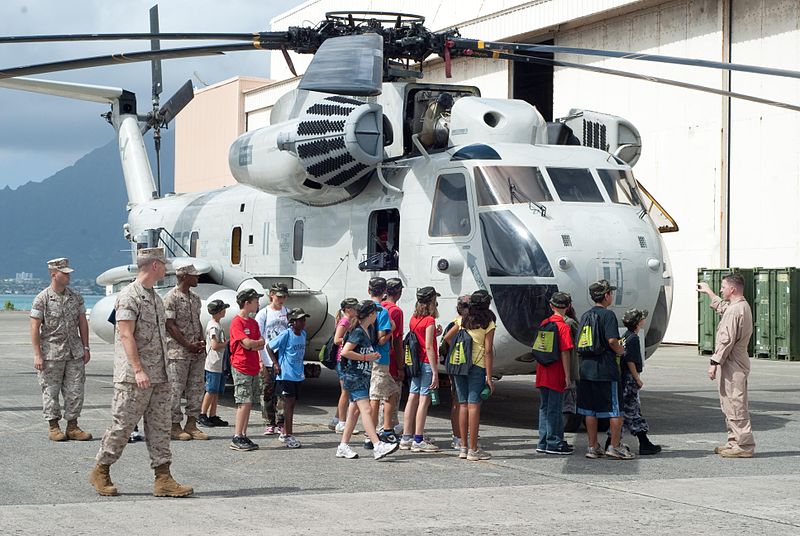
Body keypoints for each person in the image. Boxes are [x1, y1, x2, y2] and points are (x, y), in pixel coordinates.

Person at [90, 247, 193, 497]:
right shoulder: (129, 296)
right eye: (163, 264)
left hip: (159, 376)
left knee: (159, 427)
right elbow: (125, 334)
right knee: (123, 425)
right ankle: (101, 470)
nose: (166, 269)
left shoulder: (156, 298)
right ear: (154, 266)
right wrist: (138, 369)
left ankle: (163, 478)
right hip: (134, 378)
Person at [30, 257, 92, 442]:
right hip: (51, 353)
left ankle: (72, 426)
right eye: (64, 274)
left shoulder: (76, 297)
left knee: (75, 390)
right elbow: (34, 327)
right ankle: (54, 426)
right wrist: (37, 355)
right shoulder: (42, 299)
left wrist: (86, 346)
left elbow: (82, 322)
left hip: (74, 352)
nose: (68, 277)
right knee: (51, 390)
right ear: (53, 274)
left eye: (68, 273)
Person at [698, 273, 755, 458]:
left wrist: (714, 362)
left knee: (736, 403)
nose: (721, 290)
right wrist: (709, 293)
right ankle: (734, 441)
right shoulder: (738, 307)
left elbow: (726, 340)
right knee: (728, 402)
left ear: (733, 289)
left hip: (733, 363)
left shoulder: (735, 310)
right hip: (733, 361)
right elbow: (723, 308)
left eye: (723, 287)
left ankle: (744, 445)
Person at [337, 300, 400, 461]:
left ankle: (343, 446)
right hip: (355, 376)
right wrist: (366, 357)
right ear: (370, 315)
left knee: (354, 411)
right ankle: (377, 444)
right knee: (366, 410)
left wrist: (371, 356)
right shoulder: (358, 331)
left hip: (363, 375)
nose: (377, 315)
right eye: (375, 313)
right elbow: (345, 352)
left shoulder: (367, 330)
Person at [577, 279, 633, 460]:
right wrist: (621, 350)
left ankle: (593, 446)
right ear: (606, 295)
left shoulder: (585, 315)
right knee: (615, 410)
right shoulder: (607, 315)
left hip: (586, 368)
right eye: (611, 293)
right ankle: (614, 446)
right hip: (605, 369)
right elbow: (611, 340)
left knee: (590, 410)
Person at [444, 289, 496, 461]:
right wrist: (489, 376)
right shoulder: (489, 322)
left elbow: (447, 338)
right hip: (478, 366)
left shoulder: (462, 319)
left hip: (461, 364)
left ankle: (463, 447)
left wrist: (459, 346)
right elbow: (488, 350)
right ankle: (474, 449)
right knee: (474, 406)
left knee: (463, 404)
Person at [163, 264, 207, 441]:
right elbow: (170, 325)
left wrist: (201, 341)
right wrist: (188, 344)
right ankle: (174, 425)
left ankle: (192, 423)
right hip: (178, 352)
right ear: (183, 277)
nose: (197, 278)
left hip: (195, 351)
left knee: (196, 388)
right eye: (193, 275)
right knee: (175, 389)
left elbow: (197, 321)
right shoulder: (171, 298)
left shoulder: (195, 298)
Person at [400, 286, 441, 453]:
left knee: (412, 397)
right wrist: (435, 371)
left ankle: (406, 437)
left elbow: (420, 339)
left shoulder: (414, 318)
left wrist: (433, 335)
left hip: (415, 362)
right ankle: (418, 439)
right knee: (424, 400)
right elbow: (429, 347)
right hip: (425, 363)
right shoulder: (430, 320)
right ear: (431, 301)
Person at [617, 308, 660, 455]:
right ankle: (641, 443)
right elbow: (630, 360)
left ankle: (643, 442)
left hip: (624, 379)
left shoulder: (625, 336)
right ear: (638, 322)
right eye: (642, 318)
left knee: (630, 412)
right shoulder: (633, 338)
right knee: (631, 412)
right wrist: (637, 378)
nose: (644, 320)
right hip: (630, 379)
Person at [535, 292, 574, 455]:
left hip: (542, 370)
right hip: (556, 371)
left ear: (551, 306)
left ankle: (543, 441)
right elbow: (565, 352)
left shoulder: (545, 322)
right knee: (555, 409)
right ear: (568, 307)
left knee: (544, 407)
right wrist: (567, 376)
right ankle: (554, 442)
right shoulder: (563, 327)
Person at [265, 307, 310, 449]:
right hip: (286, 375)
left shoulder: (303, 334)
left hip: (298, 374)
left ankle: (285, 432)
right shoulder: (286, 334)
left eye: (304, 319)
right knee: (288, 404)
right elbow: (269, 347)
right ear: (292, 322)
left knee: (292, 404)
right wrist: (276, 364)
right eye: (300, 320)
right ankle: (288, 435)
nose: (303, 322)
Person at [229, 288, 266, 452]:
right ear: (247, 303)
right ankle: (237, 436)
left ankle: (243, 434)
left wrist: (253, 345)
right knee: (244, 402)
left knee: (249, 402)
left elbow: (260, 342)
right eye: (255, 301)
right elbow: (248, 343)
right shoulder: (237, 322)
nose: (258, 303)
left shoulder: (253, 323)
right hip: (241, 365)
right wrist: (253, 343)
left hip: (252, 366)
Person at [367, 277, 400, 446]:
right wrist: (391, 331)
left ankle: (387, 429)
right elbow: (381, 339)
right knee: (375, 397)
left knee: (391, 391)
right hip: (381, 357)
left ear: (368, 290)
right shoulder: (382, 311)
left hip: (367, 356)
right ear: (384, 291)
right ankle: (371, 435)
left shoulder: (364, 308)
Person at [255, 283, 289, 435]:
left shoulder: (287, 312)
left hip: (282, 360)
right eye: (279, 296)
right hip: (267, 358)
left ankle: (281, 421)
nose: (281, 300)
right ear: (271, 295)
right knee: (267, 392)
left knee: (282, 393)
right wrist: (260, 360)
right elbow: (258, 337)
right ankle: (269, 422)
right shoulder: (263, 313)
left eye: (284, 297)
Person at [441, 295, 470, 450]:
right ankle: (457, 436)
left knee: (459, 400)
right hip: (458, 364)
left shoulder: (461, 321)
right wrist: (459, 348)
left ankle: (459, 434)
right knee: (458, 401)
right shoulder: (460, 322)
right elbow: (447, 337)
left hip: (456, 363)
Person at [199, 299, 230, 428]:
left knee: (216, 390)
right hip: (213, 363)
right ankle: (202, 414)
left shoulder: (218, 324)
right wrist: (226, 343)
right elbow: (214, 345)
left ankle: (213, 414)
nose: (225, 311)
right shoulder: (213, 326)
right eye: (223, 309)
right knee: (211, 390)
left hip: (219, 363)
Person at [381, 277, 406, 437]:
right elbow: (397, 340)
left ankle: (385, 425)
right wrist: (400, 365)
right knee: (393, 394)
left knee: (380, 394)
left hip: (377, 356)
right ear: (399, 292)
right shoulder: (396, 311)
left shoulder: (380, 307)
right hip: (390, 357)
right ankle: (389, 426)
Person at [332, 298, 359, 433]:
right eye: (354, 308)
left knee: (345, 391)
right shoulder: (345, 321)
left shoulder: (349, 321)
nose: (357, 310)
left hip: (344, 359)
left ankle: (337, 419)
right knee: (345, 392)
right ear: (348, 309)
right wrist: (353, 340)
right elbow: (337, 339)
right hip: (342, 360)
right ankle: (342, 423)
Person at [561, 304, 581, 433]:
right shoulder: (570, 323)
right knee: (569, 403)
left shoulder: (549, 322)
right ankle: (564, 429)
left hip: (553, 370)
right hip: (570, 369)